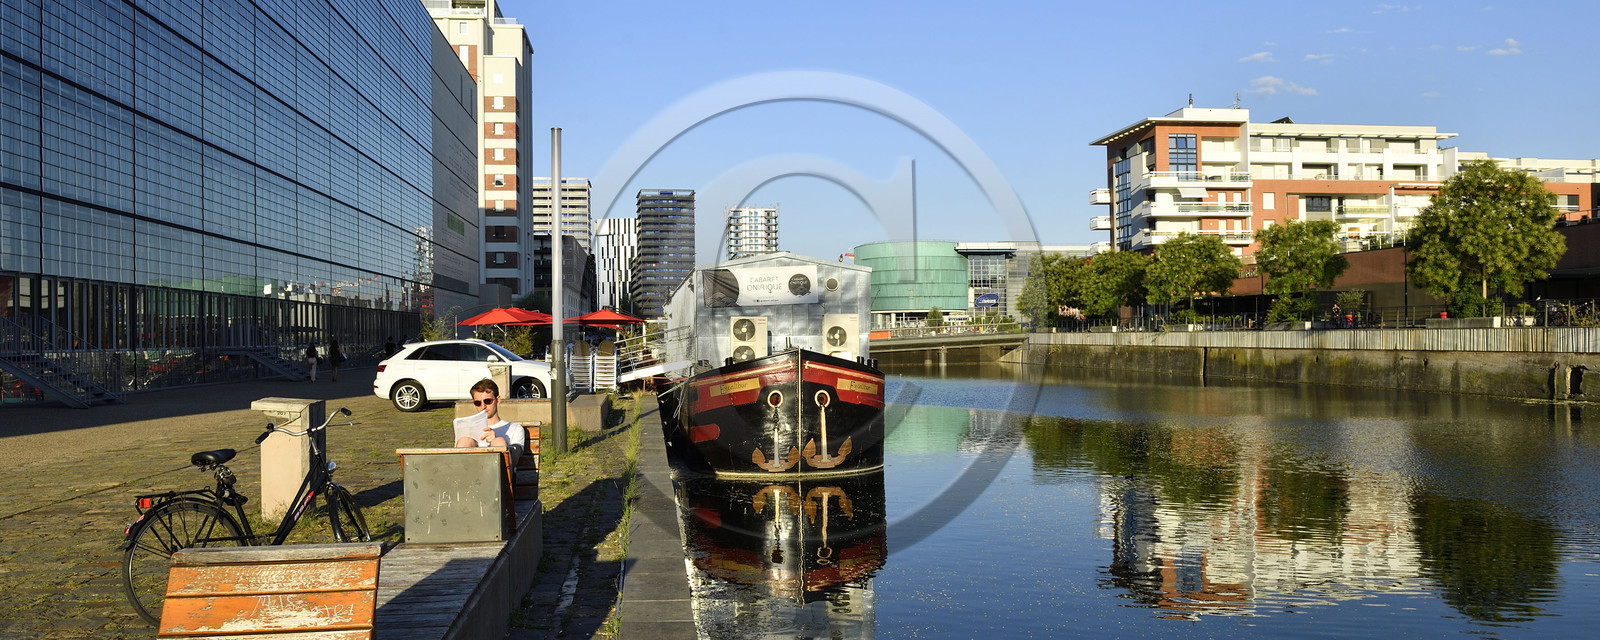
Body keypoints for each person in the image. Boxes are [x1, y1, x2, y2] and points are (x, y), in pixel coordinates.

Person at [455, 379, 526, 467]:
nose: (483, 406)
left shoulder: (515, 428)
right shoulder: (467, 429)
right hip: (472, 474)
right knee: (465, 441)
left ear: (498, 400)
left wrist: (495, 441)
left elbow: (515, 459)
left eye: (487, 401)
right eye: (478, 403)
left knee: (499, 441)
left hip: (501, 477)